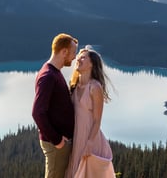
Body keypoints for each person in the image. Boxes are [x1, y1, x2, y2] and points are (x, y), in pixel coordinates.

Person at [32, 33, 78, 178]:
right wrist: (57, 140)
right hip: (56, 145)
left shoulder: (54, 72)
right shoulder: (48, 76)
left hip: (58, 143)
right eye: (73, 53)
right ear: (64, 52)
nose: (74, 57)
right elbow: (37, 112)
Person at [65, 45, 115, 178]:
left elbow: (97, 120)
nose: (78, 59)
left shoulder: (95, 87)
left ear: (92, 64)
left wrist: (89, 143)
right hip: (76, 138)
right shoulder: (74, 86)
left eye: (83, 58)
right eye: (78, 57)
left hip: (89, 139)